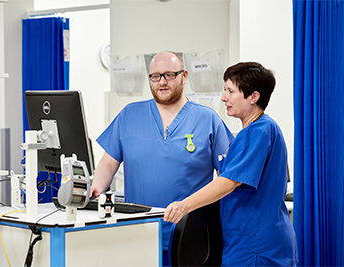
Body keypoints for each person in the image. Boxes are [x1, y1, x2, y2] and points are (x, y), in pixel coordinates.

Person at [90, 51, 234, 261]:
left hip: (191, 237)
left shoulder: (207, 119)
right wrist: (95, 189)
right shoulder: (129, 115)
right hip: (136, 234)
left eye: (169, 75)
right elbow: (109, 163)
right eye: (155, 76)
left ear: (184, 76)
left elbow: (226, 178)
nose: (162, 82)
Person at [164, 62, 298, 266]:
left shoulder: (258, 132)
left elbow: (229, 181)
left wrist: (184, 206)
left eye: (230, 91)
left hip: (255, 245)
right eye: (224, 90)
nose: (223, 97)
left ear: (253, 97)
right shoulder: (258, 130)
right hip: (251, 239)